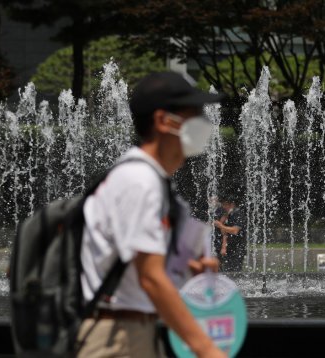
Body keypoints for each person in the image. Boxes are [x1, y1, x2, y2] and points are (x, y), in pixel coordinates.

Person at [77, 71, 227, 358]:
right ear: (162, 121)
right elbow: (151, 278)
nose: (203, 125)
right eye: (193, 115)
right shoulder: (138, 181)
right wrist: (207, 349)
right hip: (113, 338)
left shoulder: (155, 183)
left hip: (133, 331)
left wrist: (189, 272)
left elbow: (147, 273)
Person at [213, 193, 247, 272]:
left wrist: (220, 225)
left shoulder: (238, 214)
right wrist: (223, 247)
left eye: (225, 205)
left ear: (232, 204)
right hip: (227, 249)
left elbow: (235, 231)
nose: (223, 207)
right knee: (222, 272)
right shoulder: (226, 214)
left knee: (234, 272)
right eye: (223, 205)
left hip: (237, 248)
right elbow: (225, 233)